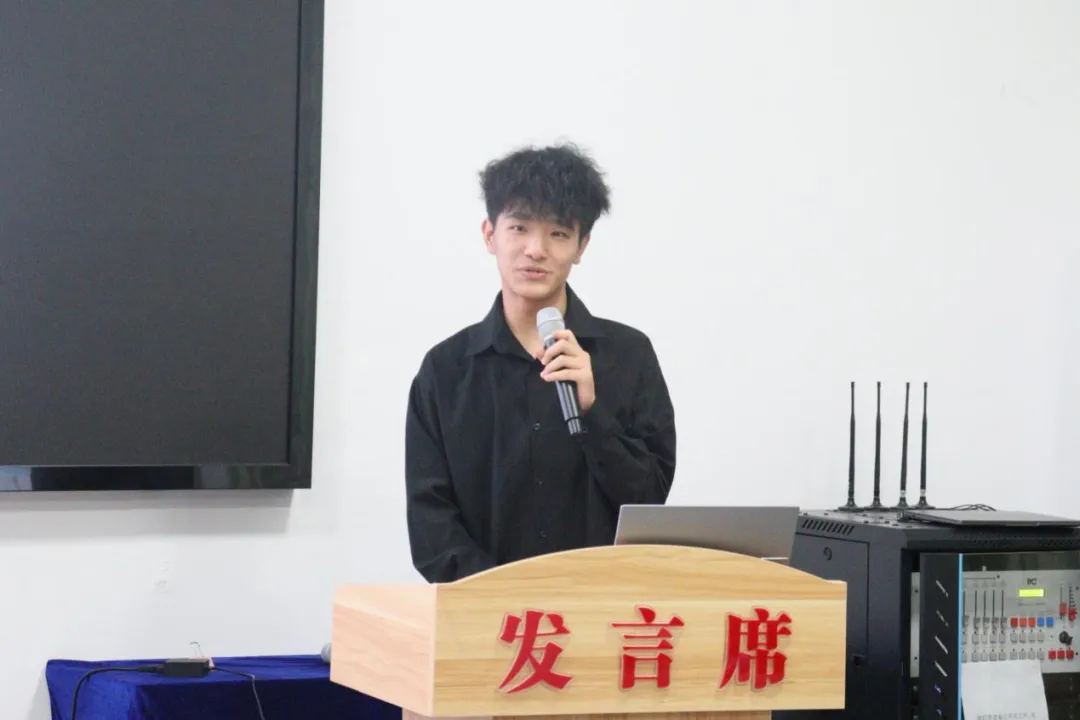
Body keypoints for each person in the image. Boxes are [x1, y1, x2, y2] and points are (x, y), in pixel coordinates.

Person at [404, 143, 676, 583]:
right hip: (487, 610)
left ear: (582, 246)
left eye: (559, 234)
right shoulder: (446, 370)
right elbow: (430, 522)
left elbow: (649, 501)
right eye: (519, 228)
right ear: (490, 235)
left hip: (600, 605)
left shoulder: (629, 355)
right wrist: (502, 595)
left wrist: (592, 414)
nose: (536, 249)